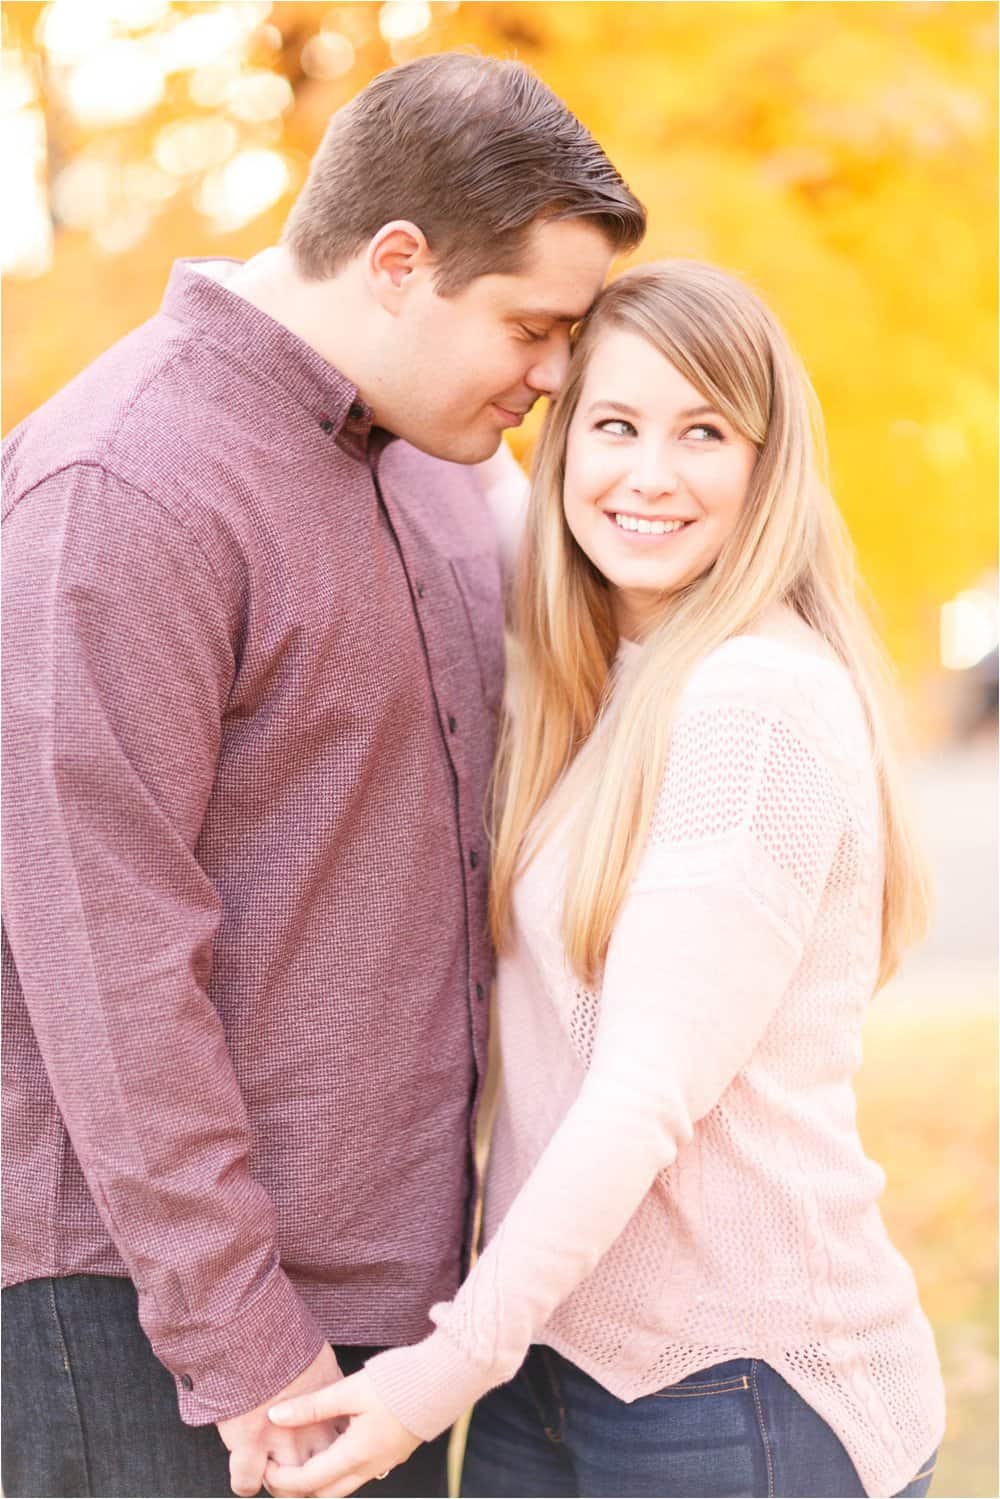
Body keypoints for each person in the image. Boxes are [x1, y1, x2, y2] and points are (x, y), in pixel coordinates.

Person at [1, 52, 645, 1499]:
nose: (555, 377)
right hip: (149, 1320)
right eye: (534, 326)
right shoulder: (124, 485)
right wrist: (246, 1342)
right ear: (401, 262)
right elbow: (103, 964)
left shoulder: (437, 470)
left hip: (393, 1312)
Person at [265, 262, 947, 1499]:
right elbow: (481, 458)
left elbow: (640, 1091)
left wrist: (437, 1372)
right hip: (554, 1364)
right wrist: (294, 289)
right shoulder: (614, 656)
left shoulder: (751, 700)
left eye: (703, 433)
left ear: (764, 464)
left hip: (738, 1391)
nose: (648, 474)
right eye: (615, 425)